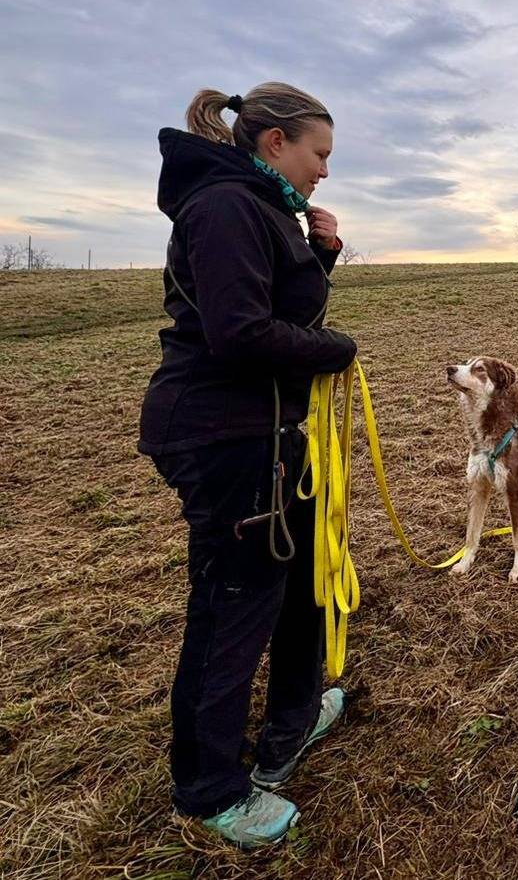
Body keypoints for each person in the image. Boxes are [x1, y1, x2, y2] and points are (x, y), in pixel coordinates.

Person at [138, 82, 358, 848]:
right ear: (275, 143)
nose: (324, 170)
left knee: (298, 583)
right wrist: (339, 350)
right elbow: (238, 334)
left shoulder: (263, 208)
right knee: (232, 607)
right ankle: (209, 789)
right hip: (222, 437)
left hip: (268, 434)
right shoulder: (224, 205)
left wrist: (320, 258)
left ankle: (291, 723)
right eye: (318, 153)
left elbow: (279, 310)